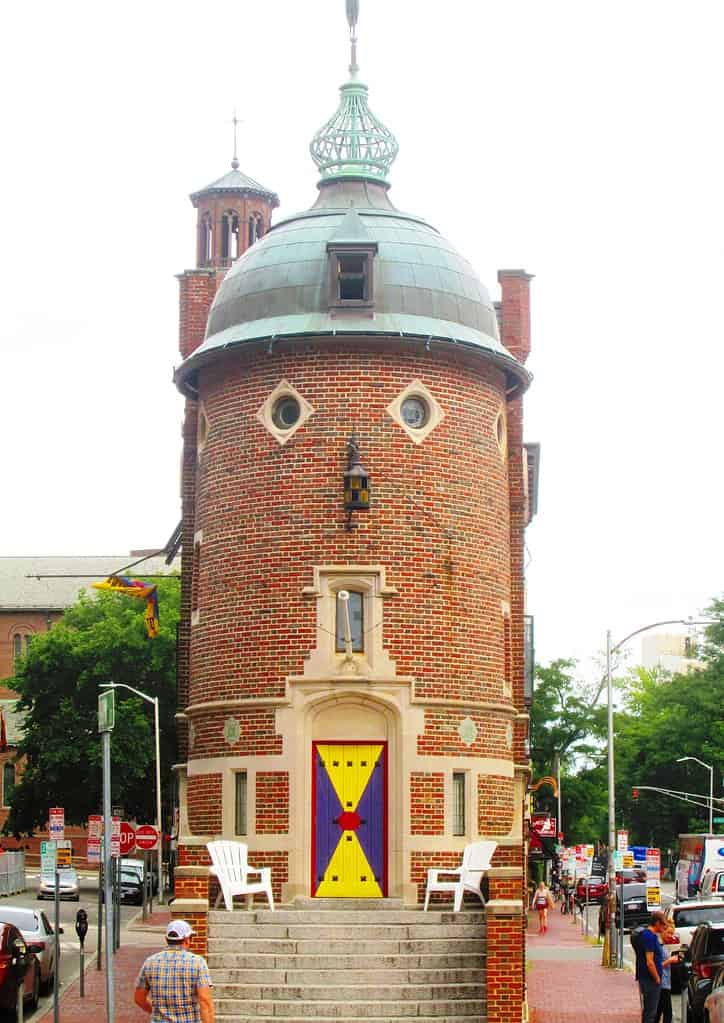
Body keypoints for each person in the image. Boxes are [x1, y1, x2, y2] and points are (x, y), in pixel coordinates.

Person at [134, 919, 214, 1023]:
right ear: (186, 940)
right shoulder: (198, 963)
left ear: (166, 939)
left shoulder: (150, 962)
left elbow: (139, 998)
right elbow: (205, 1001)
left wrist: (155, 1013)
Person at [634, 911, 668, 1023]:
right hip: (650, 979)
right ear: (657, 923)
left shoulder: (648, 936)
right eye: (664, 924)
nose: (665, 927)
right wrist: (657, 978)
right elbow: (650, 961)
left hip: (647, 978)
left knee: (649, 1011)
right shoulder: (649, 937)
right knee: (650, 1012)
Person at [656, 918, 681, 1023]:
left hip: (665, 983)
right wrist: (670, 960)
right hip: (662, 984)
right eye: (669, 933)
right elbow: (656, 965)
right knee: (667, 1013)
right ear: (662, 931)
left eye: (672, 934)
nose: (671, 936)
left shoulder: (664, 946)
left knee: (658, 1012)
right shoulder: (658, 946)